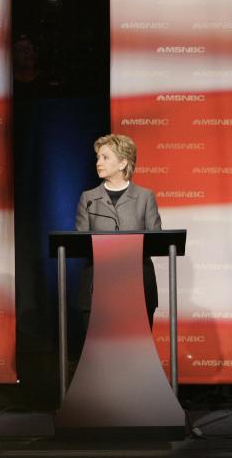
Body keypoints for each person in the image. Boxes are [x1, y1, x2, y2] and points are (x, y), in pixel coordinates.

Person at [74, 133, 161, 325]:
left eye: (105, 157)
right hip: (99, 285)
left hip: (137, 283)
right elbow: (80, 243)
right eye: (98, 157)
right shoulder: (88, 199)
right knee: (100, 352)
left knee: (136, 351)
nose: (99, 162)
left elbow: (155, 242)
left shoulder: (145, 197)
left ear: (123, 164)